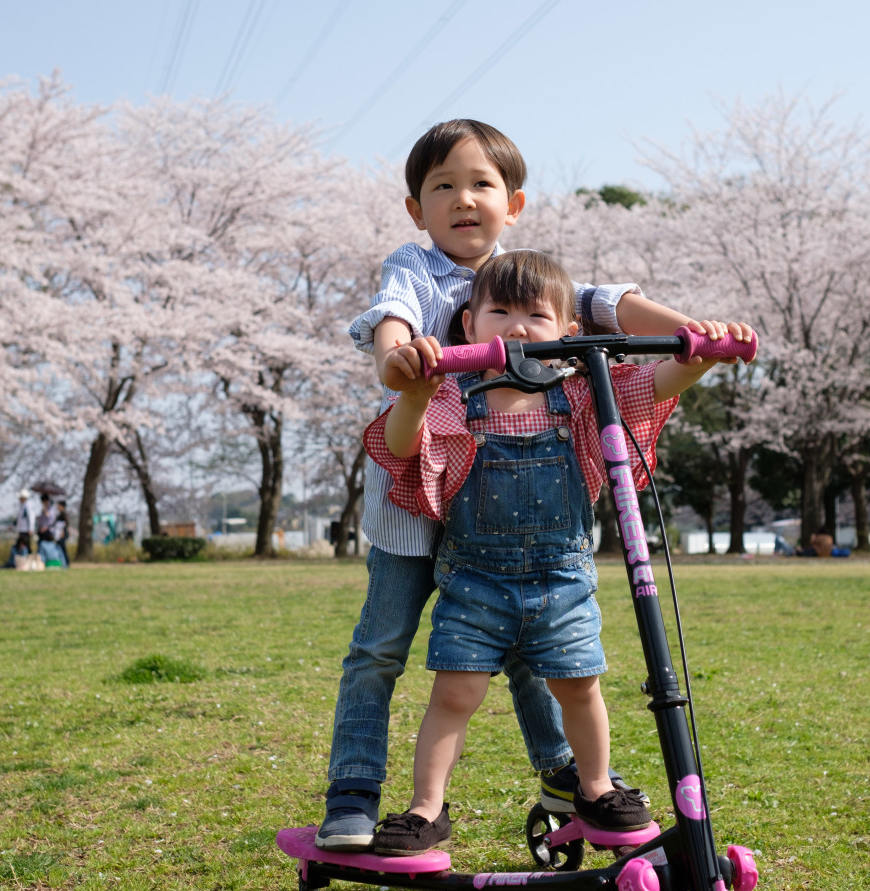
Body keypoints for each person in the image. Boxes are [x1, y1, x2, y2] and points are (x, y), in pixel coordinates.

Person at [318, 118, 757, 852]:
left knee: (535, 651)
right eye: (444, 187)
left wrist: (695, 335)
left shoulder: (528, 281)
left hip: (513, 544)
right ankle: (355, 792)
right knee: (381, 648)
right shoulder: (416, 269)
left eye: (481, 184)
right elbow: (393, 324)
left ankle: (570, 776)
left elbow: (608, 306)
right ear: (416, 209)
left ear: (512, 203)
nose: (464, 199)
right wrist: (402, 367)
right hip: (414, 488)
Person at [362, 251, 734, 853]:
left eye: (536, 315)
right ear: (468, 325)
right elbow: (405, 446)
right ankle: (426, 809)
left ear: (567, 333)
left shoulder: (583, 394)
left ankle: (593, 787)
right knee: (454, 695)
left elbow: (653, 388)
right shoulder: (456, 394)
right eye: (499, 311)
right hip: (474, 583)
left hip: (561, 582)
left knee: (579, 687)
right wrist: (417, 395)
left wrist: (699, 358)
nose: (516, 326)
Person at [55, 501, 70, 567]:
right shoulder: (59, 514)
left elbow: (66, 524)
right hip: (59, 534)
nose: (57, 507)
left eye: (59, 506)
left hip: (62, 534)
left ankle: (66, 563)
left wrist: (62, 532)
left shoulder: (64, 514)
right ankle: (63, 562)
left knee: (63, 549)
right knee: (60, 548)